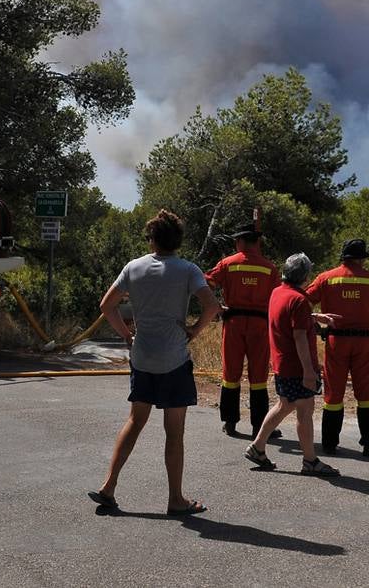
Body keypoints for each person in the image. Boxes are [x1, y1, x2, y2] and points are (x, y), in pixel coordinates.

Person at [89, 209, 220, 516]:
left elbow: (106, 305)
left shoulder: (133, 268)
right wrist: (194, 331)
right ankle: (176, 499)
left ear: (152, 240)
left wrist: (126, 335)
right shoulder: (188, 270)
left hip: (143, 356)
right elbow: (212, 306)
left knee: (135, 421)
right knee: (174, 431)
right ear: (177, 241)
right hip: (174, 358)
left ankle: (108, 487)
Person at [244, 253, 340, 476]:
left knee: (284, 405)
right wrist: (308, 371)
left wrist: (314, 316)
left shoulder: (278, 292)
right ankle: (310, 461)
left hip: (281, 363)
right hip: (296, 366)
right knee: (304, 412)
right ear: (305, 276)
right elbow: (298, 336)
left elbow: (287, 317)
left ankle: (257, 447)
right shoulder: (299, 300)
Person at [304, 239, 369, 457]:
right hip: (365, 342)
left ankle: (329, 444)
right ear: (362, 258)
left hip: (336, 341)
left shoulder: (326, 278)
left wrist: (317, 328)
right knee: (366, 394)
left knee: (333, 394)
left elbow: (303, 303)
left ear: (344, 258)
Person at [206, 225, 282, 439]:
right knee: (258, 377)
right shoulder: (269, 268)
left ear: (241, 241)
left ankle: (230, 423)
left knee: (231, 374)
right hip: (260, 325)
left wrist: (216, 306)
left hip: (234, 324)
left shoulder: (227, 264)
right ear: (256, 241)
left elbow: (206, 283)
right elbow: (279, 296)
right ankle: (260, 426)